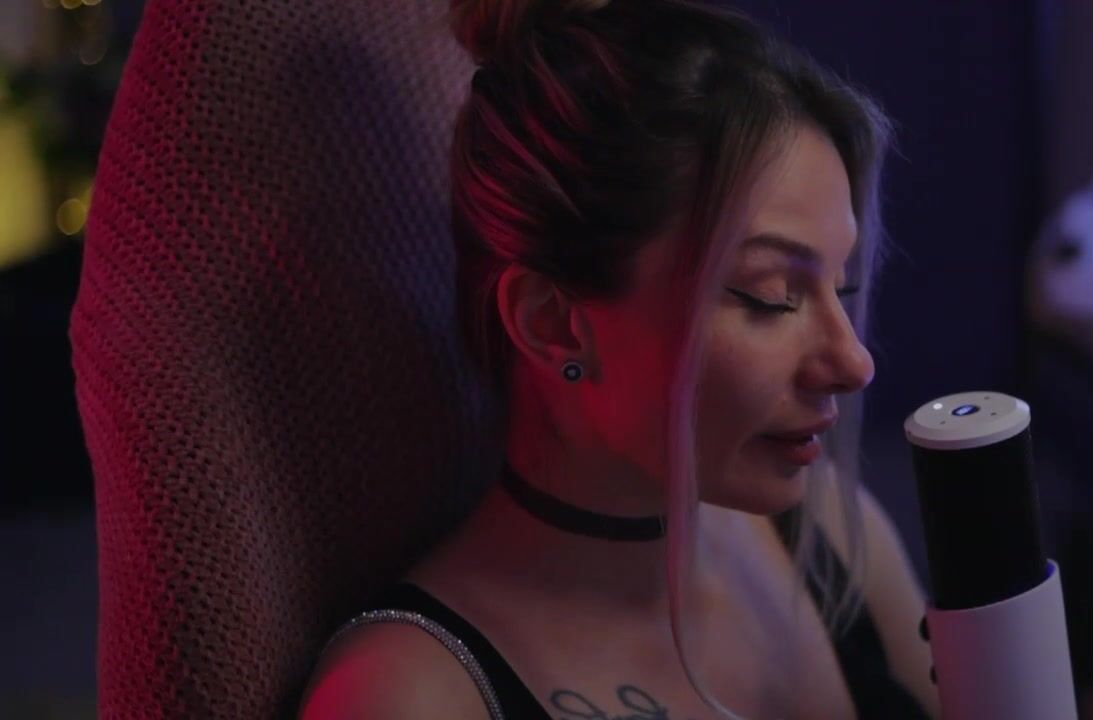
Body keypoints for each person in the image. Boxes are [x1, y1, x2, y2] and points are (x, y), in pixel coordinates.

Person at [301, 0, 939, 717]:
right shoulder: (408, 695)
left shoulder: (836, 540)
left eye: (840, 286)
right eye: (769, 296)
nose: (854, 362)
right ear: (552, 324)